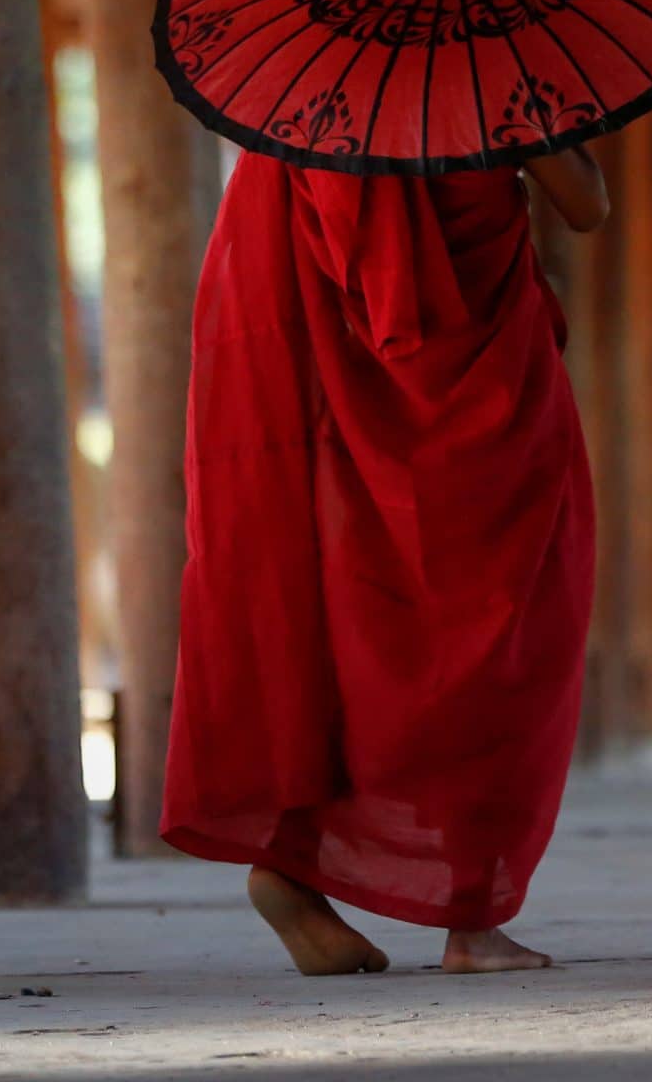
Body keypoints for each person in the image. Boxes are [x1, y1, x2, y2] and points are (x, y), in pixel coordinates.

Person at [161, 144, 610, 975]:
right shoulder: (497, 72)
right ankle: (470, 921)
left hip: (342, 395)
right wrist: (538, 124)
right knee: (498, 636)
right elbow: (588, 206)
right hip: (487, 391)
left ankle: (294, 866)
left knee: (348, 627)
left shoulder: (299, 109)